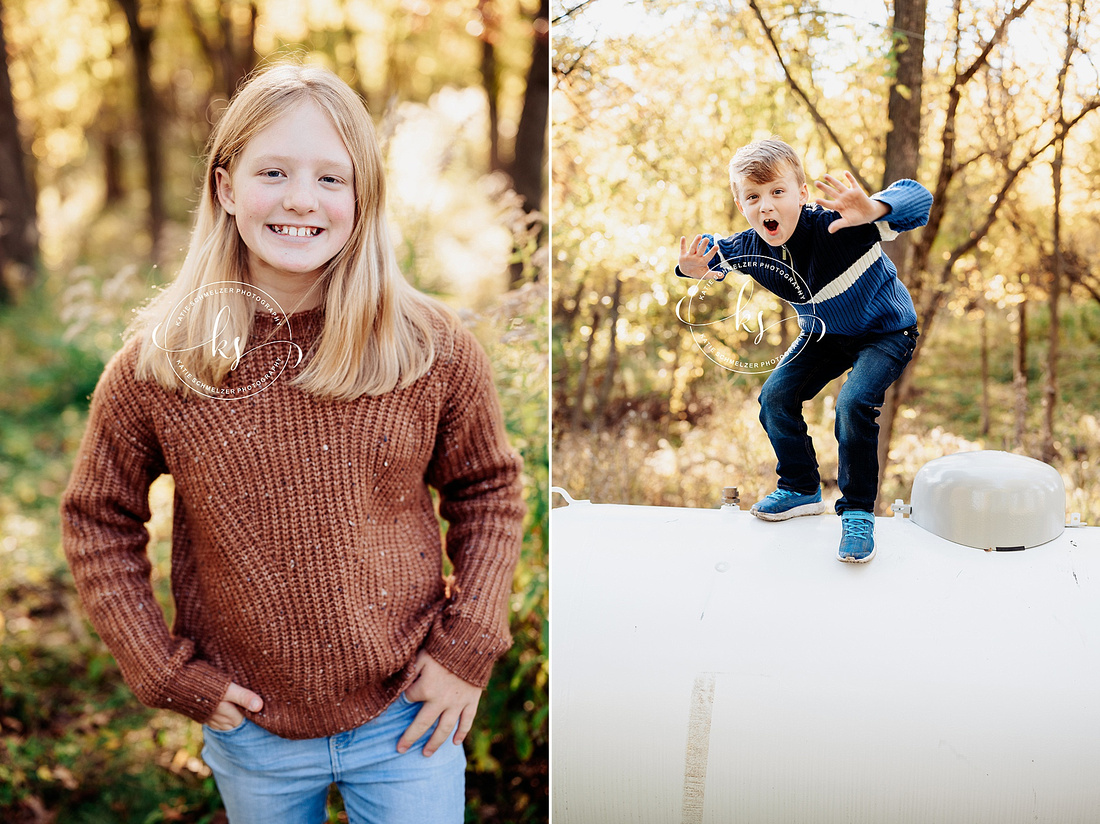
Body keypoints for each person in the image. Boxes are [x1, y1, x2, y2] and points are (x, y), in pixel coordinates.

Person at [60, 62, 525, 823]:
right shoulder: (163, 363)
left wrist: (467, 648)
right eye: (272, 171)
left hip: (407, 714)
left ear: (362, 197)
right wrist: (163, 671)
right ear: (225, 188)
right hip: (252, 731)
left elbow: (488, 490)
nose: (301, 199)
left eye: (330, 178)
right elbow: (96, 519)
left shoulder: (429, 347)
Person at [676, 136, 932, 564]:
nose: (767, 206)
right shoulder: (752, 247)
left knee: (853, 403)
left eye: (778, 192)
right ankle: (799, 487)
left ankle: (857, 512)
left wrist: (875, 208)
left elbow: (918, 199)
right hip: (825, 335)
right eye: (754, 197)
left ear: (802, 194)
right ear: (742, 206)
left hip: (886, 331)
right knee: (775, 397)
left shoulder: (840, 226)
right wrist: (691, 268)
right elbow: (708, 250)